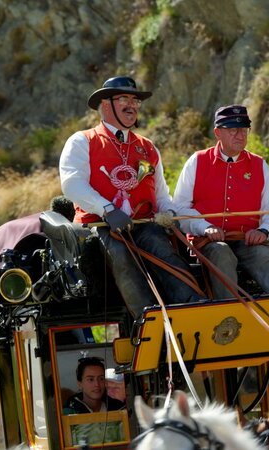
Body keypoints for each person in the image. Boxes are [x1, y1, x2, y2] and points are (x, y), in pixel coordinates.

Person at [59, 75, 200, 316]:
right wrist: (107, 209)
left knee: (162, 247)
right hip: (100, 225)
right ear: (105, 105)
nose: (132, 105)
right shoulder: (82, 141)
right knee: (121, 256)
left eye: (135, 101)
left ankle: (192, 307)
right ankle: (148, 318)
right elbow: (72, 185)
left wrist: (168, 212)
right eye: (123, 98)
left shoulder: (147, 146)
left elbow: (160, 194)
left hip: (143, 223)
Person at [173, 104, 269, 299]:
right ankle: (229, 316)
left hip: (247, 241)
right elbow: (179, 209)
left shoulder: (259, 165)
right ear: (217, 133)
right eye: (233, 130)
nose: (240, 135)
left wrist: (263, 231)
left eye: (244, 129)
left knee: (265, 257)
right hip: (208, 242)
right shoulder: (197, 162)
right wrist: (205, 227)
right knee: (222, 254)